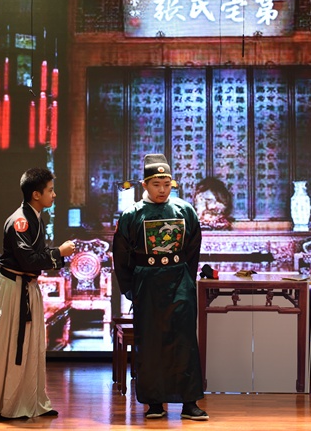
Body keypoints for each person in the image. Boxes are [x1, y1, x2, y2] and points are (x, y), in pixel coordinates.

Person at [0, 168, 76, 422]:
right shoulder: (21, 221)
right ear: (36, 194)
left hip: (26, 286)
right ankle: (5, 405)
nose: (54, 194)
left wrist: (56, 253)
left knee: (31, 345)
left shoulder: (34, 217)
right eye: (50, 190)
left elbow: (33, 258)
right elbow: (28, 260)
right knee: (8, 344)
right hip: (12, 287)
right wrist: (58, 253)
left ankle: (31, 401)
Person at [112, 153, 208, 421]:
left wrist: (187, 279)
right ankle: (154, 402)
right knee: (151, 342)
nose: (162, 190)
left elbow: (193, 249)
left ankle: (189, 402)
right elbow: (121, 255)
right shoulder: (132, 214)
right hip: (147, 283)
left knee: (184, 340)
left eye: (167, 184)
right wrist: (131, 288)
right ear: (145, 185)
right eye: (156, 184)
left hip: (179, 281)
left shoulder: (184, 210)